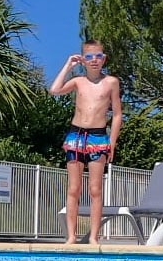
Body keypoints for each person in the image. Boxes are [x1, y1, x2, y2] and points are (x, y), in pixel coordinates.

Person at [48, 41, 121, 245]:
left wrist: (111, 142)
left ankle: (94, 237)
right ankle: (71, 236)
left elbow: (117, 114)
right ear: (83, 60)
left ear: (104, 58)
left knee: (95, 189)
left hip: (98, 138)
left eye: (98, 56)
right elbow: (54, 90)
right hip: (76, 137)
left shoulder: (111, 82)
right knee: (73, 188)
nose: (94, 60)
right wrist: (68, 65)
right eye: (89, 57)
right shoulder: (78, 81)